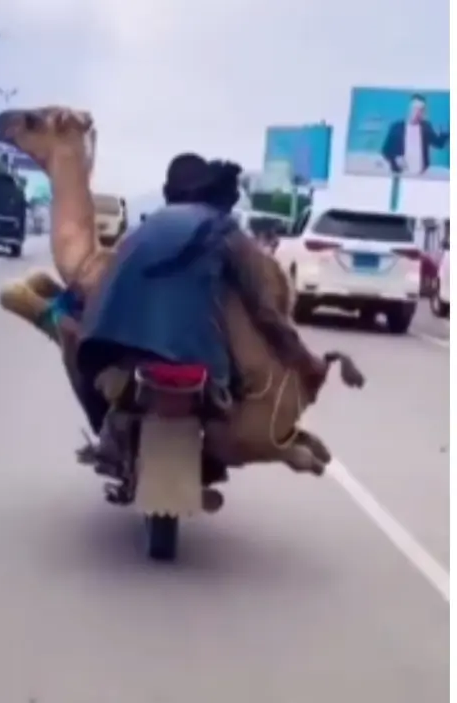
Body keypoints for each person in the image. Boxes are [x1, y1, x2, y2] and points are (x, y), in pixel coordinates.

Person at [74, 154, 328, 472]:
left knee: (83, 365)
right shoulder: (228, 233)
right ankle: (212, 458)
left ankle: (108, 443)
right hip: (197, 360)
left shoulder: (140, 230)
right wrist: (304, 361)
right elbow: (264, 311)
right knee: (231, 394)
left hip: (115, 348)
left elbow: (103, 289)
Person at [381, 94, 450, 177]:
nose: (417, 112)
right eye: (415, 108)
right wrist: (395, 159)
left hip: (422, 175)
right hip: (400, 174)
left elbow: (438, 144)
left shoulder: (426, 127)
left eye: (421, 110)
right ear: (409, 109)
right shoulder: (396, 127)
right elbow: (385, 150)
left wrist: (446, 134)